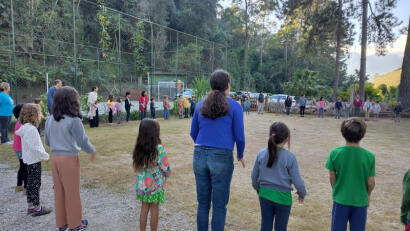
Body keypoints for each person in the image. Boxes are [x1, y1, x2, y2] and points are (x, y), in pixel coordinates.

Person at [190, 69, 245, 231]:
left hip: (199, 154)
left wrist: (203, 148)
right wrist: (240, 155)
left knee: (203, 203)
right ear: (227, 85)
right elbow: (240, 137)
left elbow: (193, 133)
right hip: (222, 156)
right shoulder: (234, 106)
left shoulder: (201, 104)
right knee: (219, 205)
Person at [45, 86, 96, 231]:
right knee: (72, 192)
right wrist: (92, 150)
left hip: (55, 159)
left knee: (59, 192)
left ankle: (62, 223)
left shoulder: (50, 119)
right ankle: (75, 224)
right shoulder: (74, 120)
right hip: (69, 160)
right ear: (73, 101)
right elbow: (82, 141)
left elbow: (47, 141)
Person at [251, 122, 306, 231]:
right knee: (281, 228)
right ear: (286, 138)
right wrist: (302, 193)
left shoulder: (261, 154)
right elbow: (298, 181)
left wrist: (258, 189)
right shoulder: (290, 157)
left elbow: (254, 176)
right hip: (283, 198)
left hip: (264, 195)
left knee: (265, 226)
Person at [325, 118, 375, 231]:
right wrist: (368, 195)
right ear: (363, 134)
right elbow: (371, 183)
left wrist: (336, 190)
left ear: (343, 133)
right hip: (360, 201)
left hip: (341, 200)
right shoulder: (369, 156)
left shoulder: (335, 153)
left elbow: (332, 176)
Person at [133, 118, 171, 231]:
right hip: (155, 187)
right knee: (154, 209)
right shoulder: (158, 149)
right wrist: (168, 173)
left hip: (142, 186)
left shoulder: (138, 148)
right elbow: (166, 167)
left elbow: (136, 167)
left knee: (144, 208)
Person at [16, 104, 51, 217]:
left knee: (30, 183)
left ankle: (30, 206)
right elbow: (36, 147)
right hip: (34, 160)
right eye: (39, 113)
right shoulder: (32, 130)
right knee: (35, 183)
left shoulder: (25, 128)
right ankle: (37, 208)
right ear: (34, 115)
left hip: (28, 160)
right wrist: (45, 156)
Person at [12, 104, 27, 194]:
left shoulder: (19, 123)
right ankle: (26, 188)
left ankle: (19, 185)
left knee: (22, 167)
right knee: (25, 168)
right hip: (22, 149)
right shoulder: (22, 124)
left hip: (18, 148)